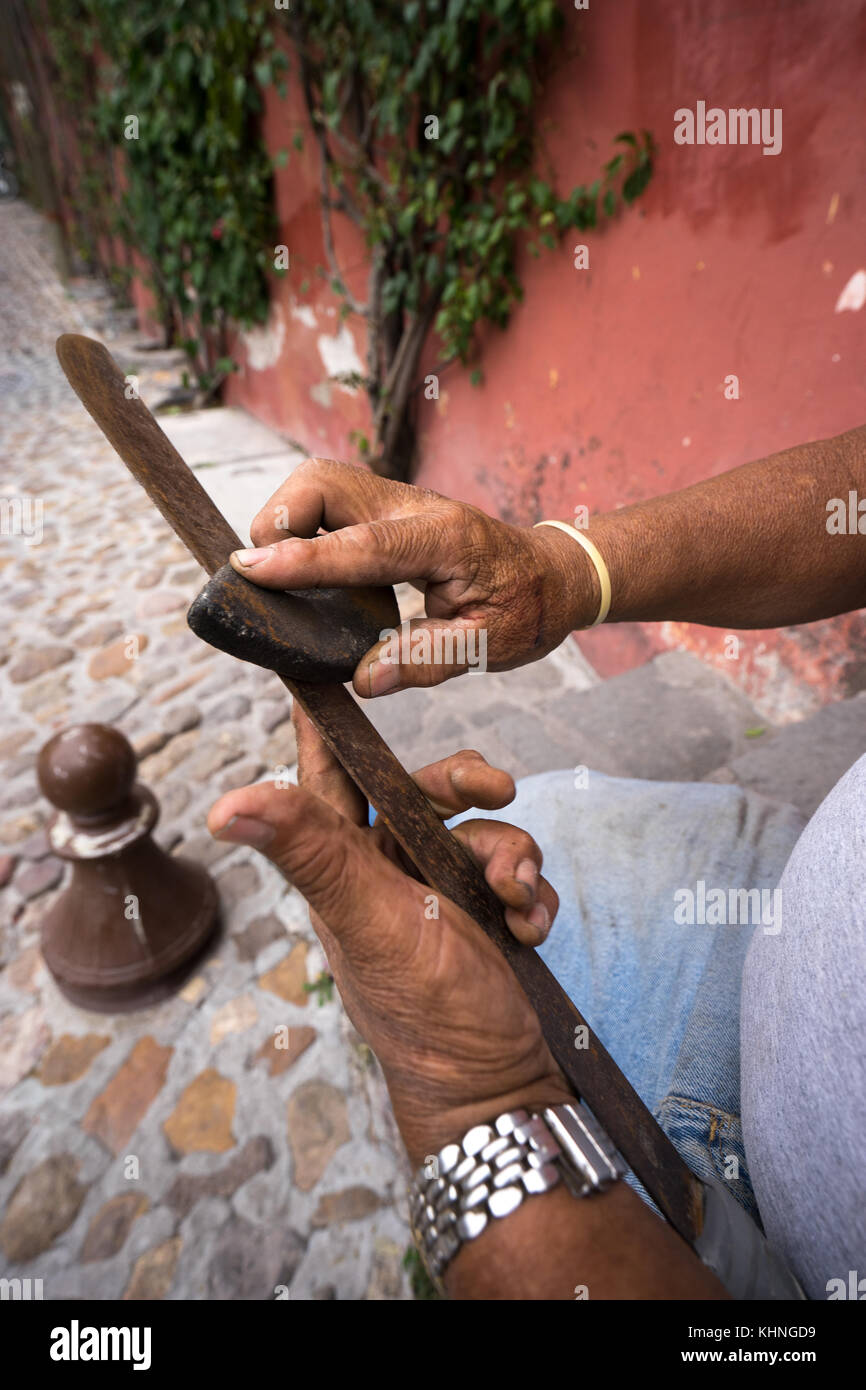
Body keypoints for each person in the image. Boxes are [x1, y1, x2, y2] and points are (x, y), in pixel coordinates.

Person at [207, 429, 866, 1300]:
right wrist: (558, 573)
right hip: (795, 904)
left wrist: (473, 1109)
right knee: (529, 824)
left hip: (765, 1243)